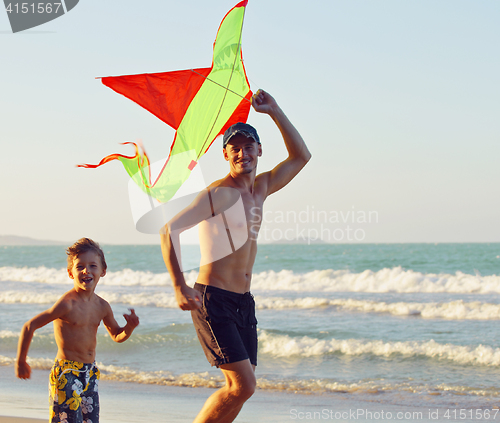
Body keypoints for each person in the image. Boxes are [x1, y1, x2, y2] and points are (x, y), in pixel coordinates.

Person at [160, 89, 311, 423]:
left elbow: (301, 156)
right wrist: (178, 286)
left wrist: (274, 111)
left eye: (248, 147)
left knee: (240, 387)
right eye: (235, 149)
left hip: (243, 302)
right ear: (226, 155)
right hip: (213, 300)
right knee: (243, 386)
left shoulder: (262, 188)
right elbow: (168, 230)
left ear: (259, 150)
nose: (243, 153)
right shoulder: (218, 194)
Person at [15, 237, 140, 423]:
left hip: (90, 374)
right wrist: (21, 361)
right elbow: (29, 326)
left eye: (92, 266)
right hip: (67, 373)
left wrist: (129, 327)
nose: (86, 270)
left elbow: (117, 335)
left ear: (103, 271)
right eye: (79, 266)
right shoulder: (67, 304)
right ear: (70, 273)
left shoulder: (103, 306)